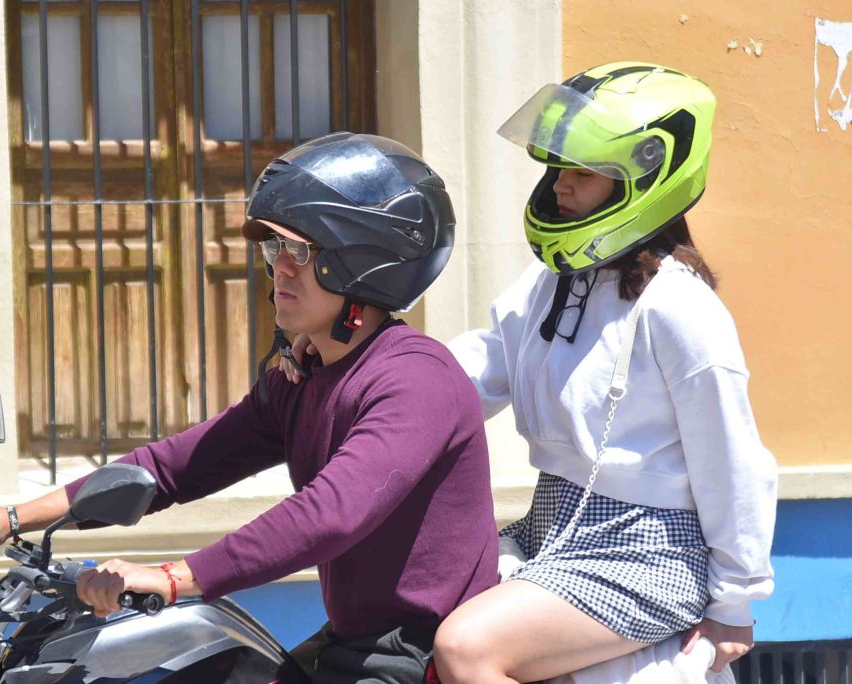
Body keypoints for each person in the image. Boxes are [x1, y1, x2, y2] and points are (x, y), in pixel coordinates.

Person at [284, 63, 777, 683]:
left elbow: (734, 460)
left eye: (583, 172)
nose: (560, 186)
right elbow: (468, 374)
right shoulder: (552, 283)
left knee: (467, 647)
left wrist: (735, 600)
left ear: (649, 180)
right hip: (552, 520)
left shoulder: (682, 309)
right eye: (556, 168)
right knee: (413, 604)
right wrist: (355, 368)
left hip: (648, 549)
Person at [0, 132, 498, 684]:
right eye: (274, 250)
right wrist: (11, 519)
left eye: (299, 250)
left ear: (363, 263)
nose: (279, 269)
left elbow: (330, 513)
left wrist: (176, 576)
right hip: (350, 643)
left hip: (414, 659)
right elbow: (172, 468)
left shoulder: (416, 378)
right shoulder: (303, 377)